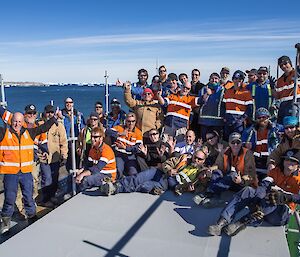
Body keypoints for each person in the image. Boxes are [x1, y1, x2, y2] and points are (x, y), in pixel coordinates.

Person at [207, 149, 300, 237]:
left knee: (274, 198)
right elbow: (264, 185)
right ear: (283, 161)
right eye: (287, 160)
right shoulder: (275, 171)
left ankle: (241, 223)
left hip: (280, 214)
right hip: (265, 204)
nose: (289, 163)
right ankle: (221, 222)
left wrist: (287, 197)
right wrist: (258, 198)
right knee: (248, 190)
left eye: (293, 161)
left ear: (298, 165)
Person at [0, 111, 57, 234]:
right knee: (10, 198)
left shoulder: (29, 133)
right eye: (15, 121)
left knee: (28, 196)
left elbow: (43, 128)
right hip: (10, 173)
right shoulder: (4, 133)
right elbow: (2, 113)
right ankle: (5, 222)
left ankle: (32, 216)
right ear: (11, 121)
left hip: (25, 172)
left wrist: (54, 118)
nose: (17, 124)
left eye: (19, 121)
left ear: (23, 122)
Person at [197, 132, 257, 208]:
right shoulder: (225, 152)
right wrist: (210, 170)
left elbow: (250, 174)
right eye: (233, 142)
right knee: (216, 172)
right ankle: (215, 198)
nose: (235, 145)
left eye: (238, 142)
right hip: (227, 181)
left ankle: (209, 192)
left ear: (241, 143)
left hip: (241, 183)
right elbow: (217, 165)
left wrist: (241, 180)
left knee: (232, 175)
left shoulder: (247, 154)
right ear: (229, 143)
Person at [242, 108, 282, 180]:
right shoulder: (249, 131)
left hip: (270, 158)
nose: (262, 119)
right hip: (255, 159)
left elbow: (289, 130)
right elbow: (241, 143)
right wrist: (245, 145)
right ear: (256, 119)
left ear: (268, 118)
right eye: (259, 117)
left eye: (264, 117)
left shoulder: (276, 129)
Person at [41, 104, 68, 204]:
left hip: (55, 157)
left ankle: (52, 196)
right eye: (48, 112)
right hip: (43, 157)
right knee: (46, 178)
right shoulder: (40, 125)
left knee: (54, 178)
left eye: (52, 112)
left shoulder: (59, 126)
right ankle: (45, 198)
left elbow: (64, 142)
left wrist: (64, 156)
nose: (49, 114)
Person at [75, 127, 116, 192]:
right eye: (91, 137)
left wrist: (82, 174)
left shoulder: (106, 150)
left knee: (86, 179)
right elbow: (89, 164)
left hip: (108, 175)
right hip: (99, 173)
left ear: (101, 138)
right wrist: (81, 170)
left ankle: (79, 196)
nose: (92, 139)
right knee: (75, 176)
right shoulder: (93, 149)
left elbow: (97, 168)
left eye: (95, 137)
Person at [106, 112, 143, 177]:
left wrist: (125, 148)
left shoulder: (138, 132)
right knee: (118, 171)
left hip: (130, 155)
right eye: (129, 121)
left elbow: (137, 148)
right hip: (119, 154)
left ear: (135, 121)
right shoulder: (120, 127)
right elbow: (108, 131)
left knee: (133, 173)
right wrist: (119, 134)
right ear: (125, 121)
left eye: (133, 121)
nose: (131, 123)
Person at [223, 70, 253, 140]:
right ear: (233, 80)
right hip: (228, 120)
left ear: (242, 81)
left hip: (239, 121)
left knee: (238, 140)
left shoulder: (246, 92)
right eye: (236, 79)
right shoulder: (227, 91)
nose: (238, 81)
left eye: (240, 79)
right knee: (227, 141)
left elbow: (249, 109)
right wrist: (224, 117)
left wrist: (241, 120)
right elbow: (223, 106)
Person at [198, 72, 225, 140]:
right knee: (205, 141)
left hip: (217, 122)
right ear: (209, 79)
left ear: (219, 80)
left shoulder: (223, 91)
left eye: (216, 78)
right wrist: (206, 94)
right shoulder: (203, 89)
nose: (214, 80)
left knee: (216, 142)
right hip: (204, 121)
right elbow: (198, 102)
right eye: (212, 78)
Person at [61, 97, 85, 171]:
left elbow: (82, 128)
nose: (69, 104)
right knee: (68, 161)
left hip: (76, 141)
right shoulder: (61, 115)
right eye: (67, 103)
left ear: (73, 104)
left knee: (77, 161)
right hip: (66, 141)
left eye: (70, 102)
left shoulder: (78, 115)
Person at [275, 56, 300, 124]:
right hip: (283, 106)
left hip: (295, 103)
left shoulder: (297, 74)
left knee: (292, 125)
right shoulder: (279, 80)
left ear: (290, 63)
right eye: (281, 65)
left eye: (285, 63)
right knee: (281, 126)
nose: (283, 66)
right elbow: (277, 96)